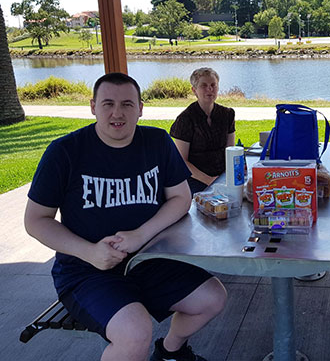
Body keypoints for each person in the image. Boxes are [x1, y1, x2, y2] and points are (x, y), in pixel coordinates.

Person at [24, 73, 227, 361]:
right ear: (93, 107)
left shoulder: (156, 141)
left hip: (148, 260)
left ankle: (171, 352)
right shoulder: (64, 152)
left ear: (141, 108)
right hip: (87, 271)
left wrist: (142, 235)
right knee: (134, 333)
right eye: (108, 104)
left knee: (213, 298)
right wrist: (90, 252)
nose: (117, 113)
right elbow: (36, 220)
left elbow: (181, 198)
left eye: (127, 105)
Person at [170, 68, 236, 195]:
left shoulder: (227, 114)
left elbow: (230, 151)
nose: (209, 89)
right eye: (204, 85)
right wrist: (210, 181)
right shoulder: (185, 119)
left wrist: (229, 177)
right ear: (194, 90)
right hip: (194, 180)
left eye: (213, 85)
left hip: (222, 177)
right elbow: (181, 161)